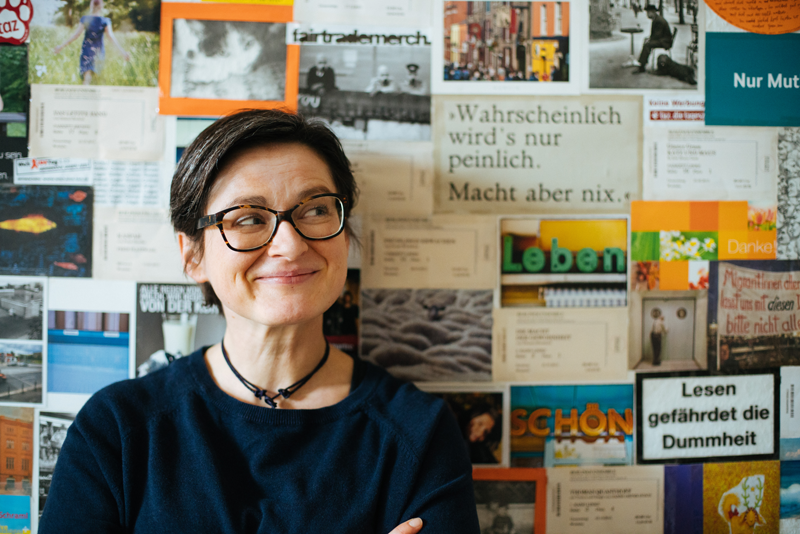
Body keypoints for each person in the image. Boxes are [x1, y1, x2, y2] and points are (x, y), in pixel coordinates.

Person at [38, 110, 480, 533]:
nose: (290, 245)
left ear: (345, 233)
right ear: (193, 256)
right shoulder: (117, 430)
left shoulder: (417, 433)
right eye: (248, 218)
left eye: (316, 210)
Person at [53, 0, 130, 85]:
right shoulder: (105, 21)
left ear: (91, 6)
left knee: (87, 78)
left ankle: (85, 91)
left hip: (87, 51)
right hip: (99, 52)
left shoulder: (85, 19)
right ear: (101, 7)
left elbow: (76, 35)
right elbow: (111, 38)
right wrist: (123, 53)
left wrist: (61, 46)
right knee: (95, 80)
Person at [634, 5, 673, 74]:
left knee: (647, 45)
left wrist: (650, 40)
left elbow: (657, 35)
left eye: (648, 13)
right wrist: (649, 38)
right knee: (647, 43)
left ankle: (642, 66)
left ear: (653, 12)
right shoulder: (657, 19)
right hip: (663, 40)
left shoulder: (658, 21)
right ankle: (642, 63)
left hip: (664, 42)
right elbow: (656, 34)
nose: (647, 15)